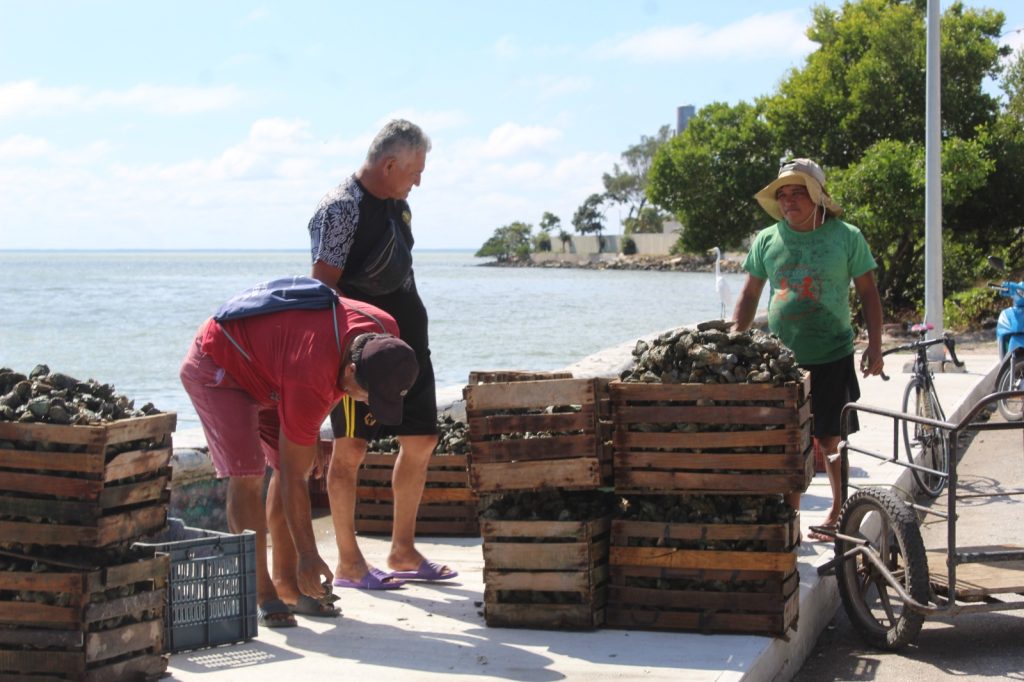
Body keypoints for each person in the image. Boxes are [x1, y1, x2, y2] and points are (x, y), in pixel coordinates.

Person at [179, 283, 419, 627]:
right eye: (368, 395)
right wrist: (310, 554)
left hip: (277, 371)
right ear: (352, 372)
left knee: (294, 462)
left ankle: (288, 586)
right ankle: (261, 593)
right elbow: (293, 474)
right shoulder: (313, 371)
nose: (368, 402)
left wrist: (309, 430)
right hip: (220, 365)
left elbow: (332, 370)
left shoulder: (386, 333)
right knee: (248, 474)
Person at [306, 119, 458, 588]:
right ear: (390, 164)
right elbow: (320, 292)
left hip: (409, 352)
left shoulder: (400, 207)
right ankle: (350, 563)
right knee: (349, 451)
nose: (419, 180)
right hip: (362, 357)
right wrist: (335, 367)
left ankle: (402, 551)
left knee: (422, 441)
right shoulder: (341, 209)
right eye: (415, 171)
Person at [732, 158, 884, 542]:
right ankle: (791, 519)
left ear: (817, 196)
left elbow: (868, 293)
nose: (788, 200)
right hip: (780, 361)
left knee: (830, 439)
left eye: (797, 192)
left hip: (833, 353)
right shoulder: (767, 239)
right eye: (782, 194)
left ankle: (837, 511)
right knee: (788, 440)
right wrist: (734, 341)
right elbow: (750, 294)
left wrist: (876, 347)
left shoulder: (846, 236)